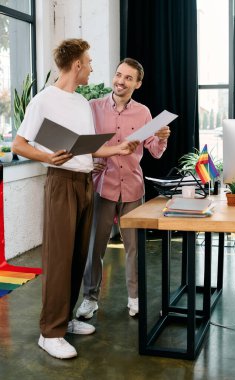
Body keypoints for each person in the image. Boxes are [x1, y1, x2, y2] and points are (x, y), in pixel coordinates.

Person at [12, 39, 139, 360]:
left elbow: (87, 147)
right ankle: (49, 332)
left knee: (77, 255)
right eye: (89, 61)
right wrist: (47, 157)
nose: (94, 67)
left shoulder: (81, 102)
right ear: (77, 65)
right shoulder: (44, 100)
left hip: (85, 183)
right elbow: (18, 144)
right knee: (58, 257)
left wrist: (116, 149)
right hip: (61, 183)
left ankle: (65, 320)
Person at [76, 58, 171, 319]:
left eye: (129, 78)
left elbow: (154, 150)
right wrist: (89, 161)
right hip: (101, 187)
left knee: (133, 248)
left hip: (132, 187)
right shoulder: (92, 108)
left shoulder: (143, 113)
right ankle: (90, 298)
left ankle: (134, 297)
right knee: (95, 247)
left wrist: (161, 139)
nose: (121, 81)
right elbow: (82, 143)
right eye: (119, 75)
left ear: (137, 84)